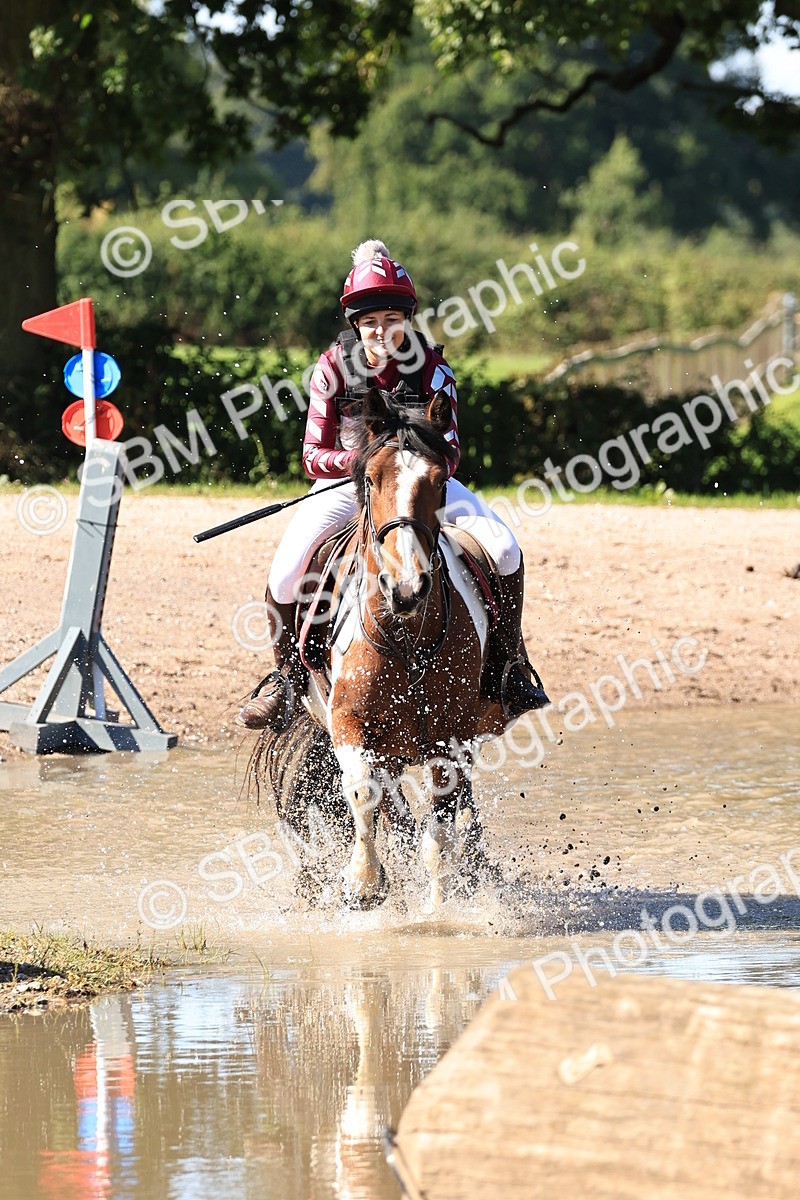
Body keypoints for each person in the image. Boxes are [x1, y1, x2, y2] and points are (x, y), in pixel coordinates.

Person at [238, 239, 548, 731]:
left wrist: (408, 466)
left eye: (391, 319)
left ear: (407, 319)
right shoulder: (331, 367)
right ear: (355, 325)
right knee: (285, 573)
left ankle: (508, 669)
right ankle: (287, 680)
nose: (381, 331)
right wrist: (367, 463)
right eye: (370, 323)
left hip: (422, 485)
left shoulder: (433, 369)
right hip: (347, 485)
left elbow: (451, 450)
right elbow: (312, 456)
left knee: (506, 549)